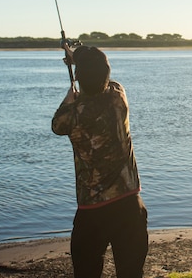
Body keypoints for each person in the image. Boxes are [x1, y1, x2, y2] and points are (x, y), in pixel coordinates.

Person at [51, 45, 148, 278]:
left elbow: (57, 125)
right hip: (128, 206)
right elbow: (106, 80)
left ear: (79, 77)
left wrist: (72, 90)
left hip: (91, 212)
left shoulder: (70, 116)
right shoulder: (118, 99)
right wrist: (79, 62)